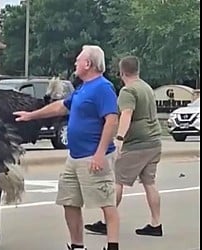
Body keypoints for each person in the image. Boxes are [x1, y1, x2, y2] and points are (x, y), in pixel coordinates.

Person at [14, 45, 120, 250]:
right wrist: (31, 115)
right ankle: (77, 245)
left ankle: (112, 246)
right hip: (74, 157)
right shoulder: (82, 88)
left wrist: (99, 154)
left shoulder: (103, 87)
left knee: (106, 203)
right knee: (69, 201)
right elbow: (61, 106)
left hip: (94, 157)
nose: (75, 63)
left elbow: (111, 120)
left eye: (79, 59)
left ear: (88, 64)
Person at [84, 55, 163, 237]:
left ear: (121, 72)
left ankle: (106, 222)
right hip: (154, 141)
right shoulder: (146, 87)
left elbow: (126, 114)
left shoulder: (128, 91)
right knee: (149, 183)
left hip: (137, 144)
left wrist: (119, 138)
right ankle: (156, 223)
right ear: (137, 70)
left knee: (117, 182)